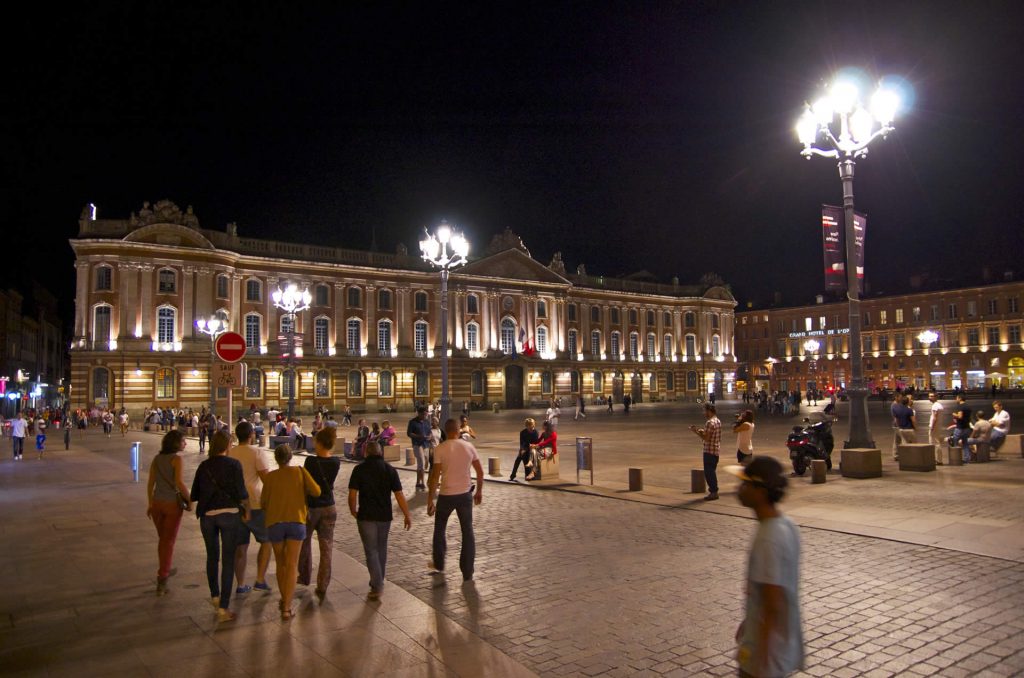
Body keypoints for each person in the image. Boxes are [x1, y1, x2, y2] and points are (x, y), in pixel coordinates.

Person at [725, 456, 804, 678]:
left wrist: (762, 658)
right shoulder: (786, 524)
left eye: (744, 484)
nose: (738, 489)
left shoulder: (768, 538)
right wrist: (748, 622)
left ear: (760, 491)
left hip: (765, 656)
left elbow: (772, 603)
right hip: (778, 647)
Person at [190, 430, 249, 623]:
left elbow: (195, 494)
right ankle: (224, 608)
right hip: (229, 515)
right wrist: (246, 510)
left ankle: (215, 596)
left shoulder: (204, 466)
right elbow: (241, 492)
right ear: (227, 446)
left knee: (212, 557)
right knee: (228, 560)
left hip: (207, 517)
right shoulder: (234, 465)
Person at [261, 444, 321, 620]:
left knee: (281, 563)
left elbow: (264, 502)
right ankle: (287, 607)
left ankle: (284, 598)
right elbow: (317, 491)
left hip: (275, 523)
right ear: (290, 457)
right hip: (296, 521)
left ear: (276, 458)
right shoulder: (300, 472)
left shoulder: (270, 477)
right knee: (292, 563)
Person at [348, 441, 412, 599]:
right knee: (381, 548)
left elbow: (352, 494)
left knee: (371, 551)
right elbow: (399, 494)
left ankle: (377, 585)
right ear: (381, 452)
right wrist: (407, 514)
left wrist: (353, 510)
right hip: (384, 516)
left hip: (366, 515)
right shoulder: (389, 469)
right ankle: (378, 579)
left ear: (367, 453)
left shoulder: (359, 469)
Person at [427, 419, 483, 581]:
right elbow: (479, 472)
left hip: (446, 495)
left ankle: (439, 563)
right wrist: (478, 492)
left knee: (439, 529)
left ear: (445, 430)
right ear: (458, 430)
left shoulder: (440, 449)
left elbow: (435, 476)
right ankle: (467, 571)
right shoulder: (469, 446)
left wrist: (431, 499)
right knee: (467, 531)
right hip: (465, 494)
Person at [228, 421, 273, 595]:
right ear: (251, 435)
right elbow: (266, 479)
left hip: (236, 504)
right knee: (267, 541)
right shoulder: (257, 453)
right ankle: (260, 579)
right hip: (255, 503)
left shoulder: (230, 453)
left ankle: (240, 584)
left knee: (240, 547)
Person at [146, 430, 191, 595]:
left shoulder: (157, 459)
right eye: (183, 441)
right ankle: (163, 578)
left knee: (163, 540)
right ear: (175, 444)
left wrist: (150, 503)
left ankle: (165, 567)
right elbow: (179, 482)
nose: (185, 443)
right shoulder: (176, 459)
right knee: (168, 541)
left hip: (157, 504)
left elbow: (151, 483)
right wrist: (190, 500)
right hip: (172, 505)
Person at [299, 428, 341, 601]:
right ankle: (322, 584)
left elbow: (306, 485)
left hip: (312, 507)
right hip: (329, 507)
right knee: (326, 547)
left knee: (305, 542)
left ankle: (305, 576)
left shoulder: (310, 461)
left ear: (320, 442)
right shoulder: (336, 462)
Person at [689, 403, 722, 501]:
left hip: (709, 451)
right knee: (712, 471)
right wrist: (702, 431)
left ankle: (713, 492)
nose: (704, 413)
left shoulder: (709, 422)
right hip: (716, 450)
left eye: (705, 411)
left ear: (709, 411)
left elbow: (706, 438)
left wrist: (695, 432)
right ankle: (714, 491)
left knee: (709, 473)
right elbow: (710, 434)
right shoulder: (718, 421)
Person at [407, 406, 432, 490]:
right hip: (417, 444)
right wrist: (418, 436)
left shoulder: (427, 422)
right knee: (421, 462)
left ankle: (418, 482)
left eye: (426, 414)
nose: (425, 416)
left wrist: (430, 436)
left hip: (426, 444)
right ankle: (422, 483)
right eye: (424, 414)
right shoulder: (412, 422)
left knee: (425, 464)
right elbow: (409, 433)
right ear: (419, 413)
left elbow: (430, 432)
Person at [510, 418, 539, 482]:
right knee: (518, 459)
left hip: (532, 449)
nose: (531, 426)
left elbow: (535, 443)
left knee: (525, 457)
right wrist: (522, 450)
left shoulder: (535, 432)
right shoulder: (523, 432)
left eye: (532, 425)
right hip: (524, 448)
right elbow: (521, 443)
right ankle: (513, 475)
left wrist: (526, 449)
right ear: (526, 425)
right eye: (530, 425)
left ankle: (527, 474)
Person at [891, 395, 916, 461]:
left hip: (898, 426)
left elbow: (896, 417)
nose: (911, 400)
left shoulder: (897, 406)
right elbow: (913, 420)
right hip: (902, 427)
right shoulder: (908, 409)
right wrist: (915, 427)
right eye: (910, 399)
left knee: (897, 441)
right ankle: (907, 456)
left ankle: (896, 455)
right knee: (905, 441)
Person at [949, 395, 973, 464]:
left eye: (956, 398)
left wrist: (954, 414)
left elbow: (960, 416)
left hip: (960, 428)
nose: (956, 399)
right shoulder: (968, 407)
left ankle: (956, 458)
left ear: (960, 398)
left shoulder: (960, 406)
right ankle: (967, 459)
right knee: (965, 443)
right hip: (967, 427)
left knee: (955, 441)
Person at [926, 392, 945, 466]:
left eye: (932, 396)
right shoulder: (939, 405)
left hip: (934, 426)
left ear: (936, 397)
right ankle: (938, 459)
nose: (930, 397)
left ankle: (936, 460)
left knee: (933, 443)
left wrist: (932, 427)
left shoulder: (935, 406)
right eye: (929, 396)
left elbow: (934, 417)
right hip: (939, 426)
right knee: (937, 443)